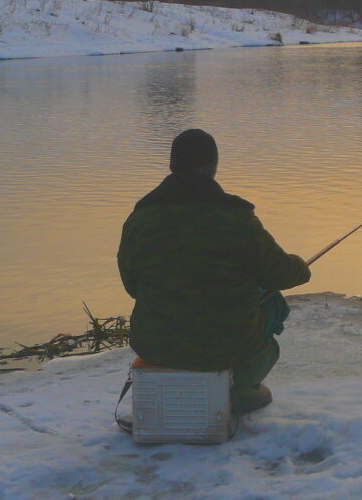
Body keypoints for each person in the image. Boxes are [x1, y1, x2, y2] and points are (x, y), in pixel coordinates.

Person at [117, 129, 311, 413]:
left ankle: (179, 380)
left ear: (172, 165)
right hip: (225, 348)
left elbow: (132, 286)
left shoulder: (139, 220)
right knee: (274, 303)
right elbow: (279, 273)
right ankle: (242, 387)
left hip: (156, 346)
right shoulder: (235, 218)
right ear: (214, 167)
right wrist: (301, 267)